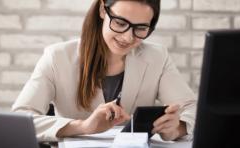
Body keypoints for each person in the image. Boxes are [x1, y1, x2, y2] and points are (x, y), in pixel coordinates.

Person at [12, 0, 196, 142]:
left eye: (140, 28)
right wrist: (83, 127)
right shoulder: (57, 57)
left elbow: (193, 110)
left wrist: (177, 128)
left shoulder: (158, 57)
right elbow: (20, 120)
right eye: (120, 22)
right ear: (102, 10)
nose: (127, 37)